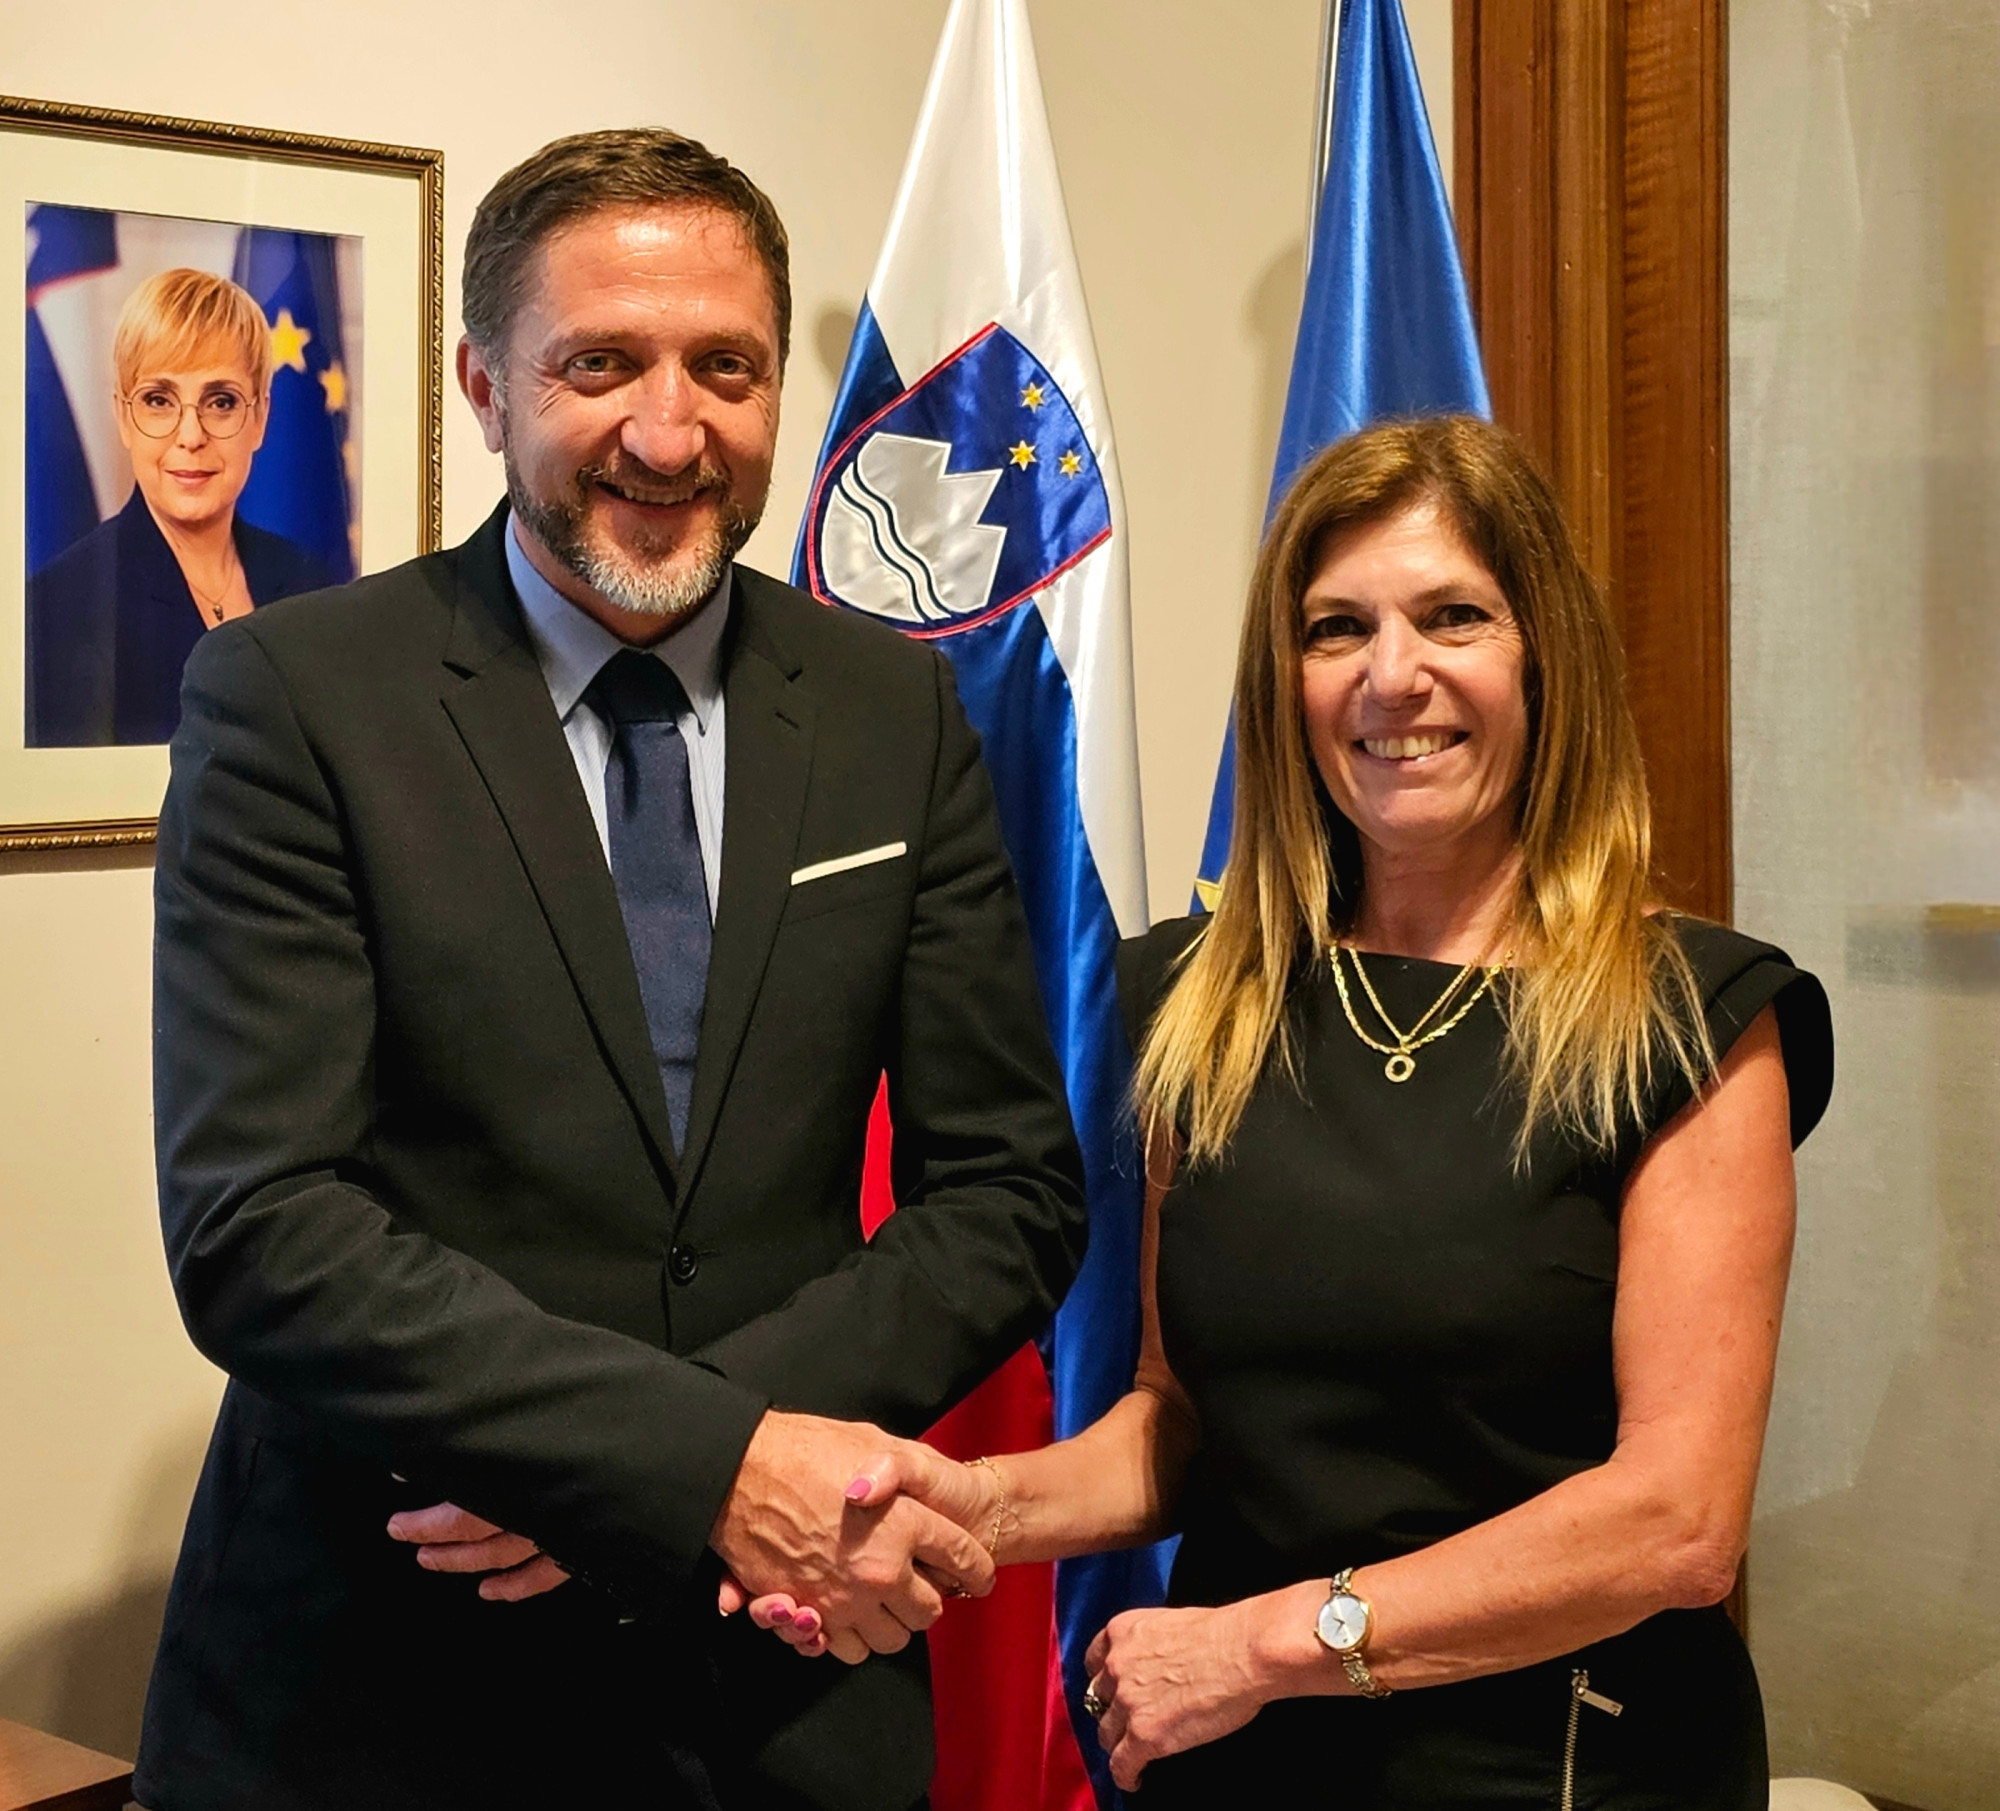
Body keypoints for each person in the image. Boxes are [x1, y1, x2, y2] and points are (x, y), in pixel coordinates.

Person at [136, 128, 1087, 1811]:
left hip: (781, 1687)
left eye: (726, 367)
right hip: (387, 1692)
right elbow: (260, 1226)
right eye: (600, 365)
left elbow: (1008, 1191)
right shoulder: (295, 700)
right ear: (485, 387)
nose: (669, 430)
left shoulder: (892, 708)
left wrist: (689, 1462)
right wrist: (699, 1464)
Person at [744, 416, 1834, 1807]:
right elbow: (1179, 1417)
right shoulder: (1201, 999)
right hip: (1236, 1752)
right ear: (1286, 679)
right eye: (1336, 628)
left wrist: (1265, 1643)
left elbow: (1673, 1523)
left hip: (1559, 1761)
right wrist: (981, 1504)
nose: (1392, 674)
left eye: (1453, 616)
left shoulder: (1690, 1015)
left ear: (1543, 656)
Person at [25, 268, 330, 746]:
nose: (191, 436)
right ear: (124, 416)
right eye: (159, 400)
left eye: (221, 402)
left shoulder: (314, 586)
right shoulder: (56, 612)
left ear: (260, 417)